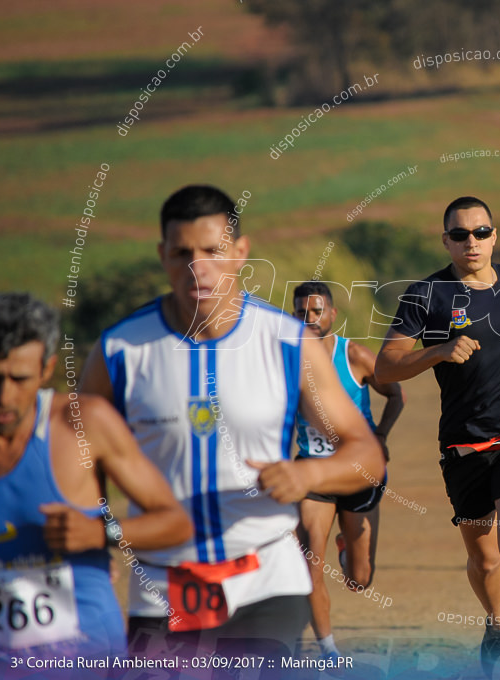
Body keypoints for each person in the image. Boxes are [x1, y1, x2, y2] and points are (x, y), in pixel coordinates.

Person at [79, 185, 384, 662]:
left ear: (241, 252)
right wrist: (97, 531)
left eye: (212, 251)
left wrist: (307, 474)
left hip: (268, 578)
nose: (197, 267)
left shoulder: (289, 342)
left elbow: (365, 453)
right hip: (162, 584)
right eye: (182, 253)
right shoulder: (120, 350)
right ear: (162, 255)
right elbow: (82, 455)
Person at [375, 196, 500, 678]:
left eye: (481, 232)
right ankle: (496, 618)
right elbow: (385, 365)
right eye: (460, 235)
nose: (471, 242)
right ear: (446, 241)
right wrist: (438, 351)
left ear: (495, 236)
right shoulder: (425, 295)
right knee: (485, 560)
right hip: (462, 444)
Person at [0, 293, 192, 662]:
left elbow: (176, 523)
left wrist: (100, 533)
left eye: (20, 378)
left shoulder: (83, 424)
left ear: (47, 369)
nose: (3, 396)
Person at [291, 281, 405, 664]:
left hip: (358, 473)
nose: (309, 319)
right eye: (301, 312)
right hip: (314, 473)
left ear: (332, 314)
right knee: (309, 563)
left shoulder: (353, 355)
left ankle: (349, 551)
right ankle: (328, 652)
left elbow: (395, 394)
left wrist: (381, 437)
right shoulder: (286, 360)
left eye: (316, 311)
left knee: (360, 579)